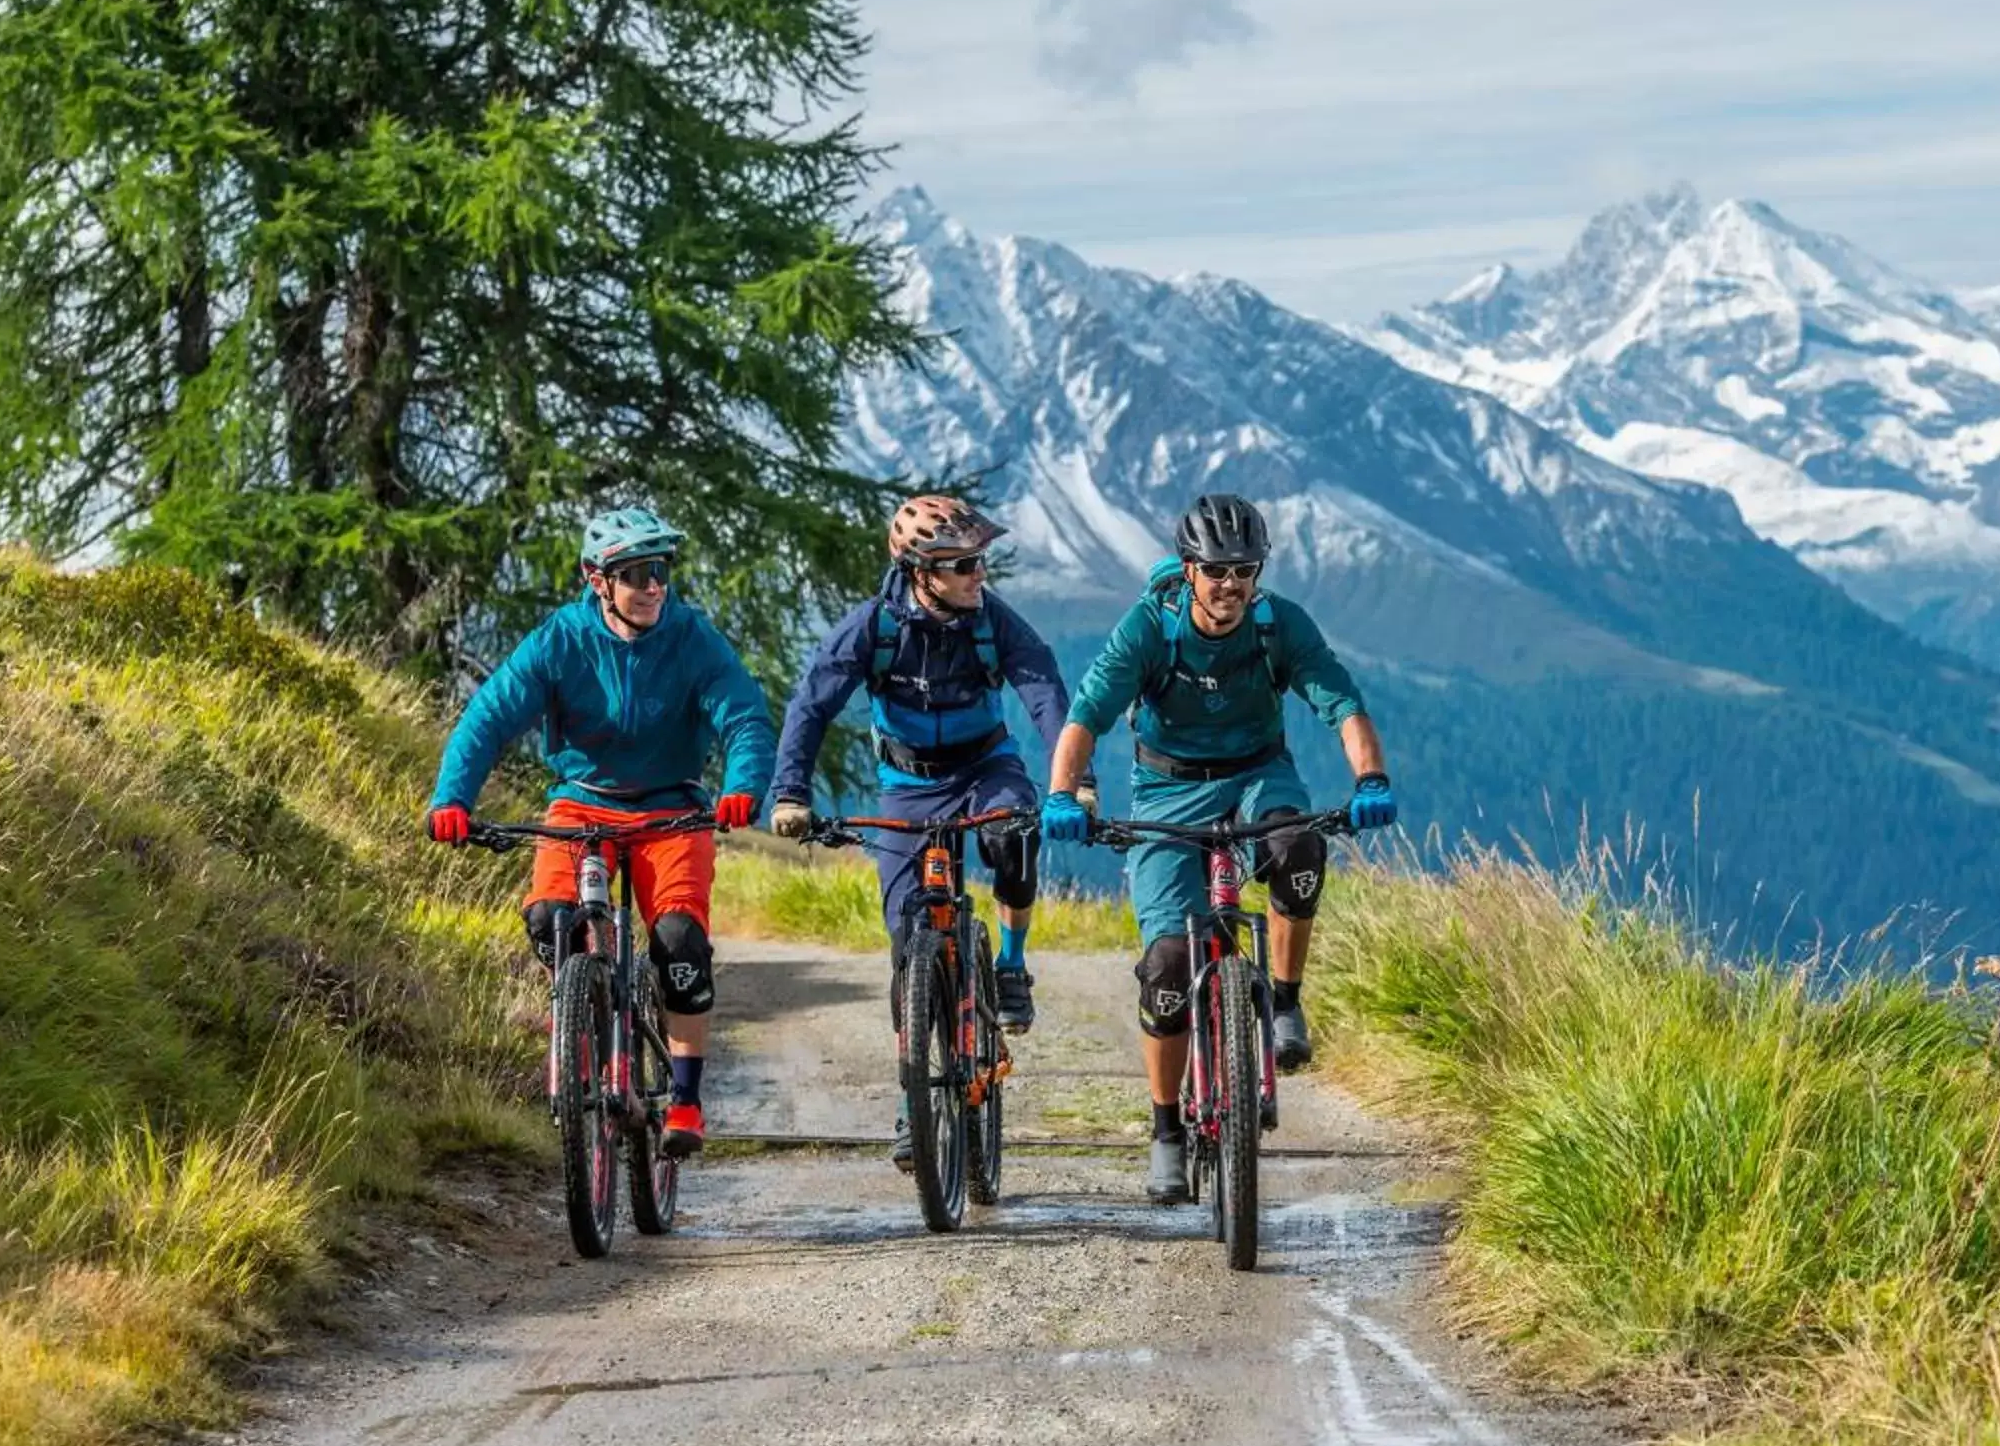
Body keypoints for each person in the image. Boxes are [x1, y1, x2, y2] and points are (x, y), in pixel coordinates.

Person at [1041, 492, 1398, 1204]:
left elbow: (1342, 702)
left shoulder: (1277, 625)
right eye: (1217, 570)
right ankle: (1167, 1130)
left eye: (1245, 569)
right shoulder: (1150, 627)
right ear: (1189, 568)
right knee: (1168, 967)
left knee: (1299, 851)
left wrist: (1371, 776)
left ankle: (1287, 1002)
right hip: (1167, 795)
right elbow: (1087, 716)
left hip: (1258, 778)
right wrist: (1061, 792)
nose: (1231, 584)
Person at [425, 507, 775, 1157]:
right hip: (581, 807)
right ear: (597, 580)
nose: (653, 587)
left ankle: (688, 1100)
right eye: (637, 574)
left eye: (661, 572)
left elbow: (744, 715)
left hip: (672, 811)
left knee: (679, 945)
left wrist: (743, 785)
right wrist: (452, 797)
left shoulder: (692, 637)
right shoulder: (561, 639)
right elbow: (489, 718)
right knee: (550, 919)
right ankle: (591, 1008)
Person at [766, 495, 1072, 1171]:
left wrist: (1069, 780)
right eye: (962, 564)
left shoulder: (992, 622)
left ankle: (1013, 964)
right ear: (920, 571)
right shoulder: (872, 628)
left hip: (987, 766)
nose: (978, 575)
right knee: (909, 947)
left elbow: (1043, 688)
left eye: (981, 561)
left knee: (1013, 838)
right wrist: (790, 793)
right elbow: (811, 703)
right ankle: (914, 1098)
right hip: (906, 787)